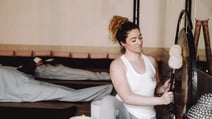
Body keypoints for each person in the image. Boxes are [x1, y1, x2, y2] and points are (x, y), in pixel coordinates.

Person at [99, 16, 174, 119]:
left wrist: (162, 88)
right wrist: (161, 101)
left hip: (148, 116)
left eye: (140, 37)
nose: (139, 42)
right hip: (126, 113)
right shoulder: (117, 65)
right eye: (133, 40)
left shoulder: (151, 61)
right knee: (107, 100)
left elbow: (154, 89)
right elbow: (128, 98)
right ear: (123, 43)